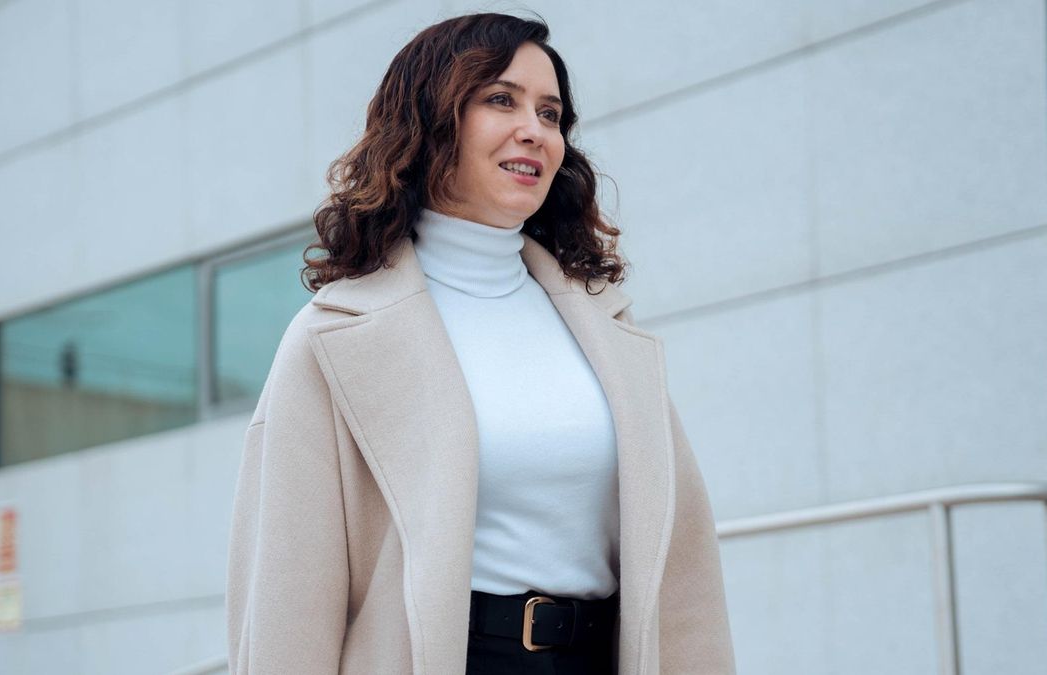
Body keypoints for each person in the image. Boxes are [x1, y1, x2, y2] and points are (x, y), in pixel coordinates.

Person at [225, 12, 735, 675]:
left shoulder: (604, 323)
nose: (535, 130)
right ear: (431, 121)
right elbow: (287, 599)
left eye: (550, 113)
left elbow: (683, 568)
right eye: (501, 99)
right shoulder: (333, 337)